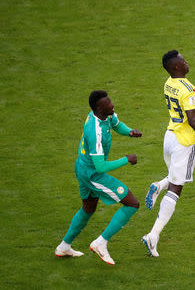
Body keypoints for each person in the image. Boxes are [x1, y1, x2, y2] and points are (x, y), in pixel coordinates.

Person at [141, 50, 195, 257]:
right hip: (185, 142)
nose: (187, 62)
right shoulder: (188, 89)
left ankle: (158, 186)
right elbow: (193, 121)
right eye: (183, 60)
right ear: (177, 67)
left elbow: (185, 108)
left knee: (174, 178)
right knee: (176, 188)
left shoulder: (169, 83)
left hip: (170, 136)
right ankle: (153, 235)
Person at [55, 90, 142, 265]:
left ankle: (64, 247)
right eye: (108, 102)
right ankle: (101, 243)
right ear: (99, 108)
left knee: (88, 208)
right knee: (132, 203)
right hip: (92, 174)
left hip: (82, 166)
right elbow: (100, 166)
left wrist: (130, 132)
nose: (112, 104)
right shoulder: (94, 132)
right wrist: (126, 159)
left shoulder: (105, 115)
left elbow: (117, 125)